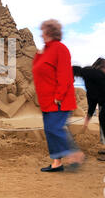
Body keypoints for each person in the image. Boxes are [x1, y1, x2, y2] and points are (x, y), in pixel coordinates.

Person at [32, 19, 84, 172]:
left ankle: (75, 154)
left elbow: (65, 75)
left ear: (49, 32)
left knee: (55, 129)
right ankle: (57, 163)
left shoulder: (60, 49)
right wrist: (38, 55)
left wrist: (59, 96)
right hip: (46, 100)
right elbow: (36, 70)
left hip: (58, 100)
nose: (41, 34)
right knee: (50, 130)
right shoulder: (45, 51)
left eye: (43, 31)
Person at [73, 58, 105, 161]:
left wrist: (70, 71)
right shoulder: (96, 79)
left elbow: (82, 71)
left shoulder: (92, 73)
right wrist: (86, 122)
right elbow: (92, 101)